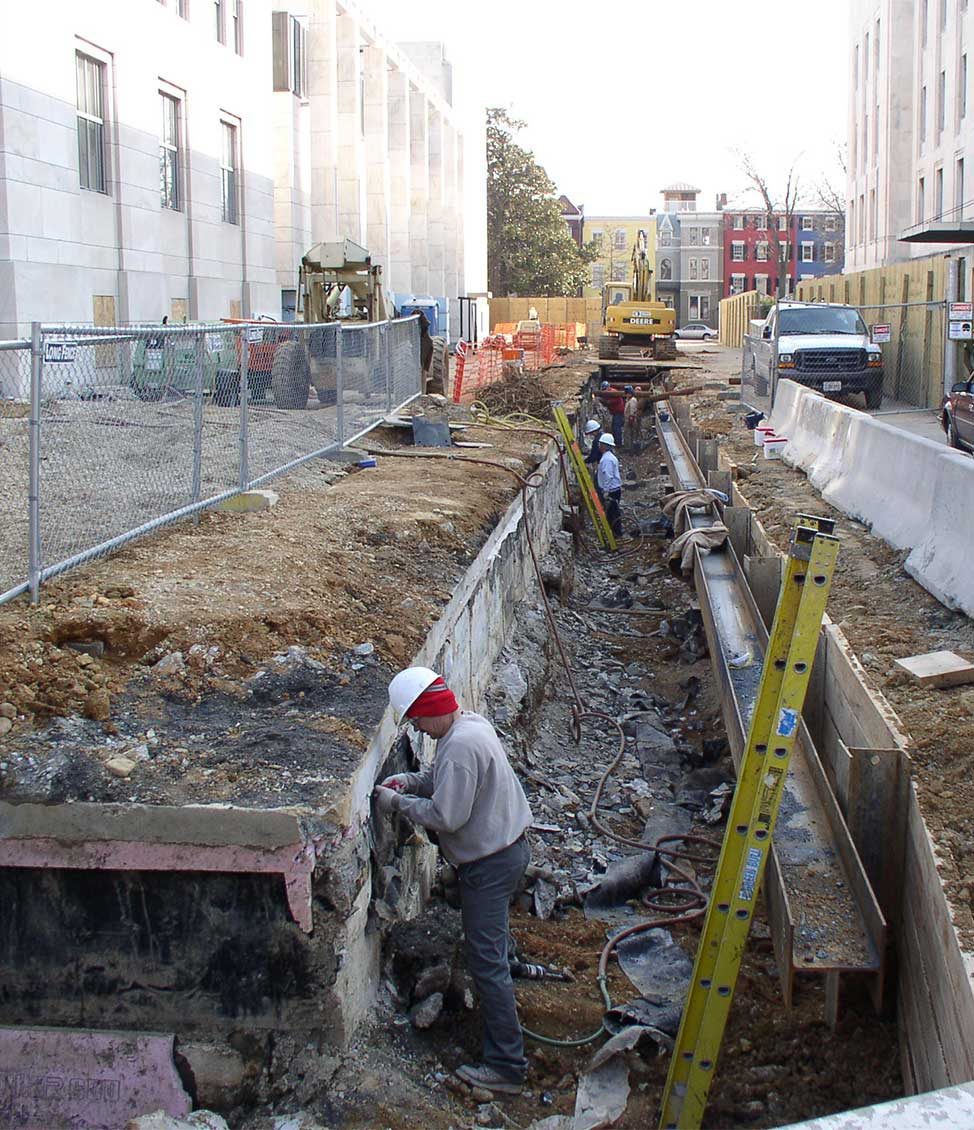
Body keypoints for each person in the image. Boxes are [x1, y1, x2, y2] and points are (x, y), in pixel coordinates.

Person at [374, 668, 533, 1096]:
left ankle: (506, 1067)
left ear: (430, 711)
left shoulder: (459, 746)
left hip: (489, 863)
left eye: (416, 720)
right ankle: (510, 962)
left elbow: (447, 816)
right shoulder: (468, 726)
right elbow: (448, 782)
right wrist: (412, 780)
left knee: (485, 962)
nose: (417, 729)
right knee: (489, 937)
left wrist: (398, 801)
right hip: (506, 850)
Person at [595, 432, 623, 536]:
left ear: (603, 445)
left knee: (612, 514)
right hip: (614, 489)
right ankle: (615, 532)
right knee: (613, 512)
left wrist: (606, 491)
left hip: (611, 491)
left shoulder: (607, 459)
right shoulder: (609, 457)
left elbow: (608, 476)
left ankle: (616, 533)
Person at [597, 381, 626, 448]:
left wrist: (601, 400)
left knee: (617, 428)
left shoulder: (613, 392)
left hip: (618, 412)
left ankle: (618, 443)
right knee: (614, 427)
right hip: (615, 412)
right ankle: (616, 442)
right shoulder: (610, 392)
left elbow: (609, 402)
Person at [623, 386, 641, 452]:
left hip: (630, 419)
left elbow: (632, 411)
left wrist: (631, 419)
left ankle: (631, 449)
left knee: (630, 434)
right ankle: (629, 447)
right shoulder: (628, 400)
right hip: (628, 419)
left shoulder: (633, 400)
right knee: (627, 434)